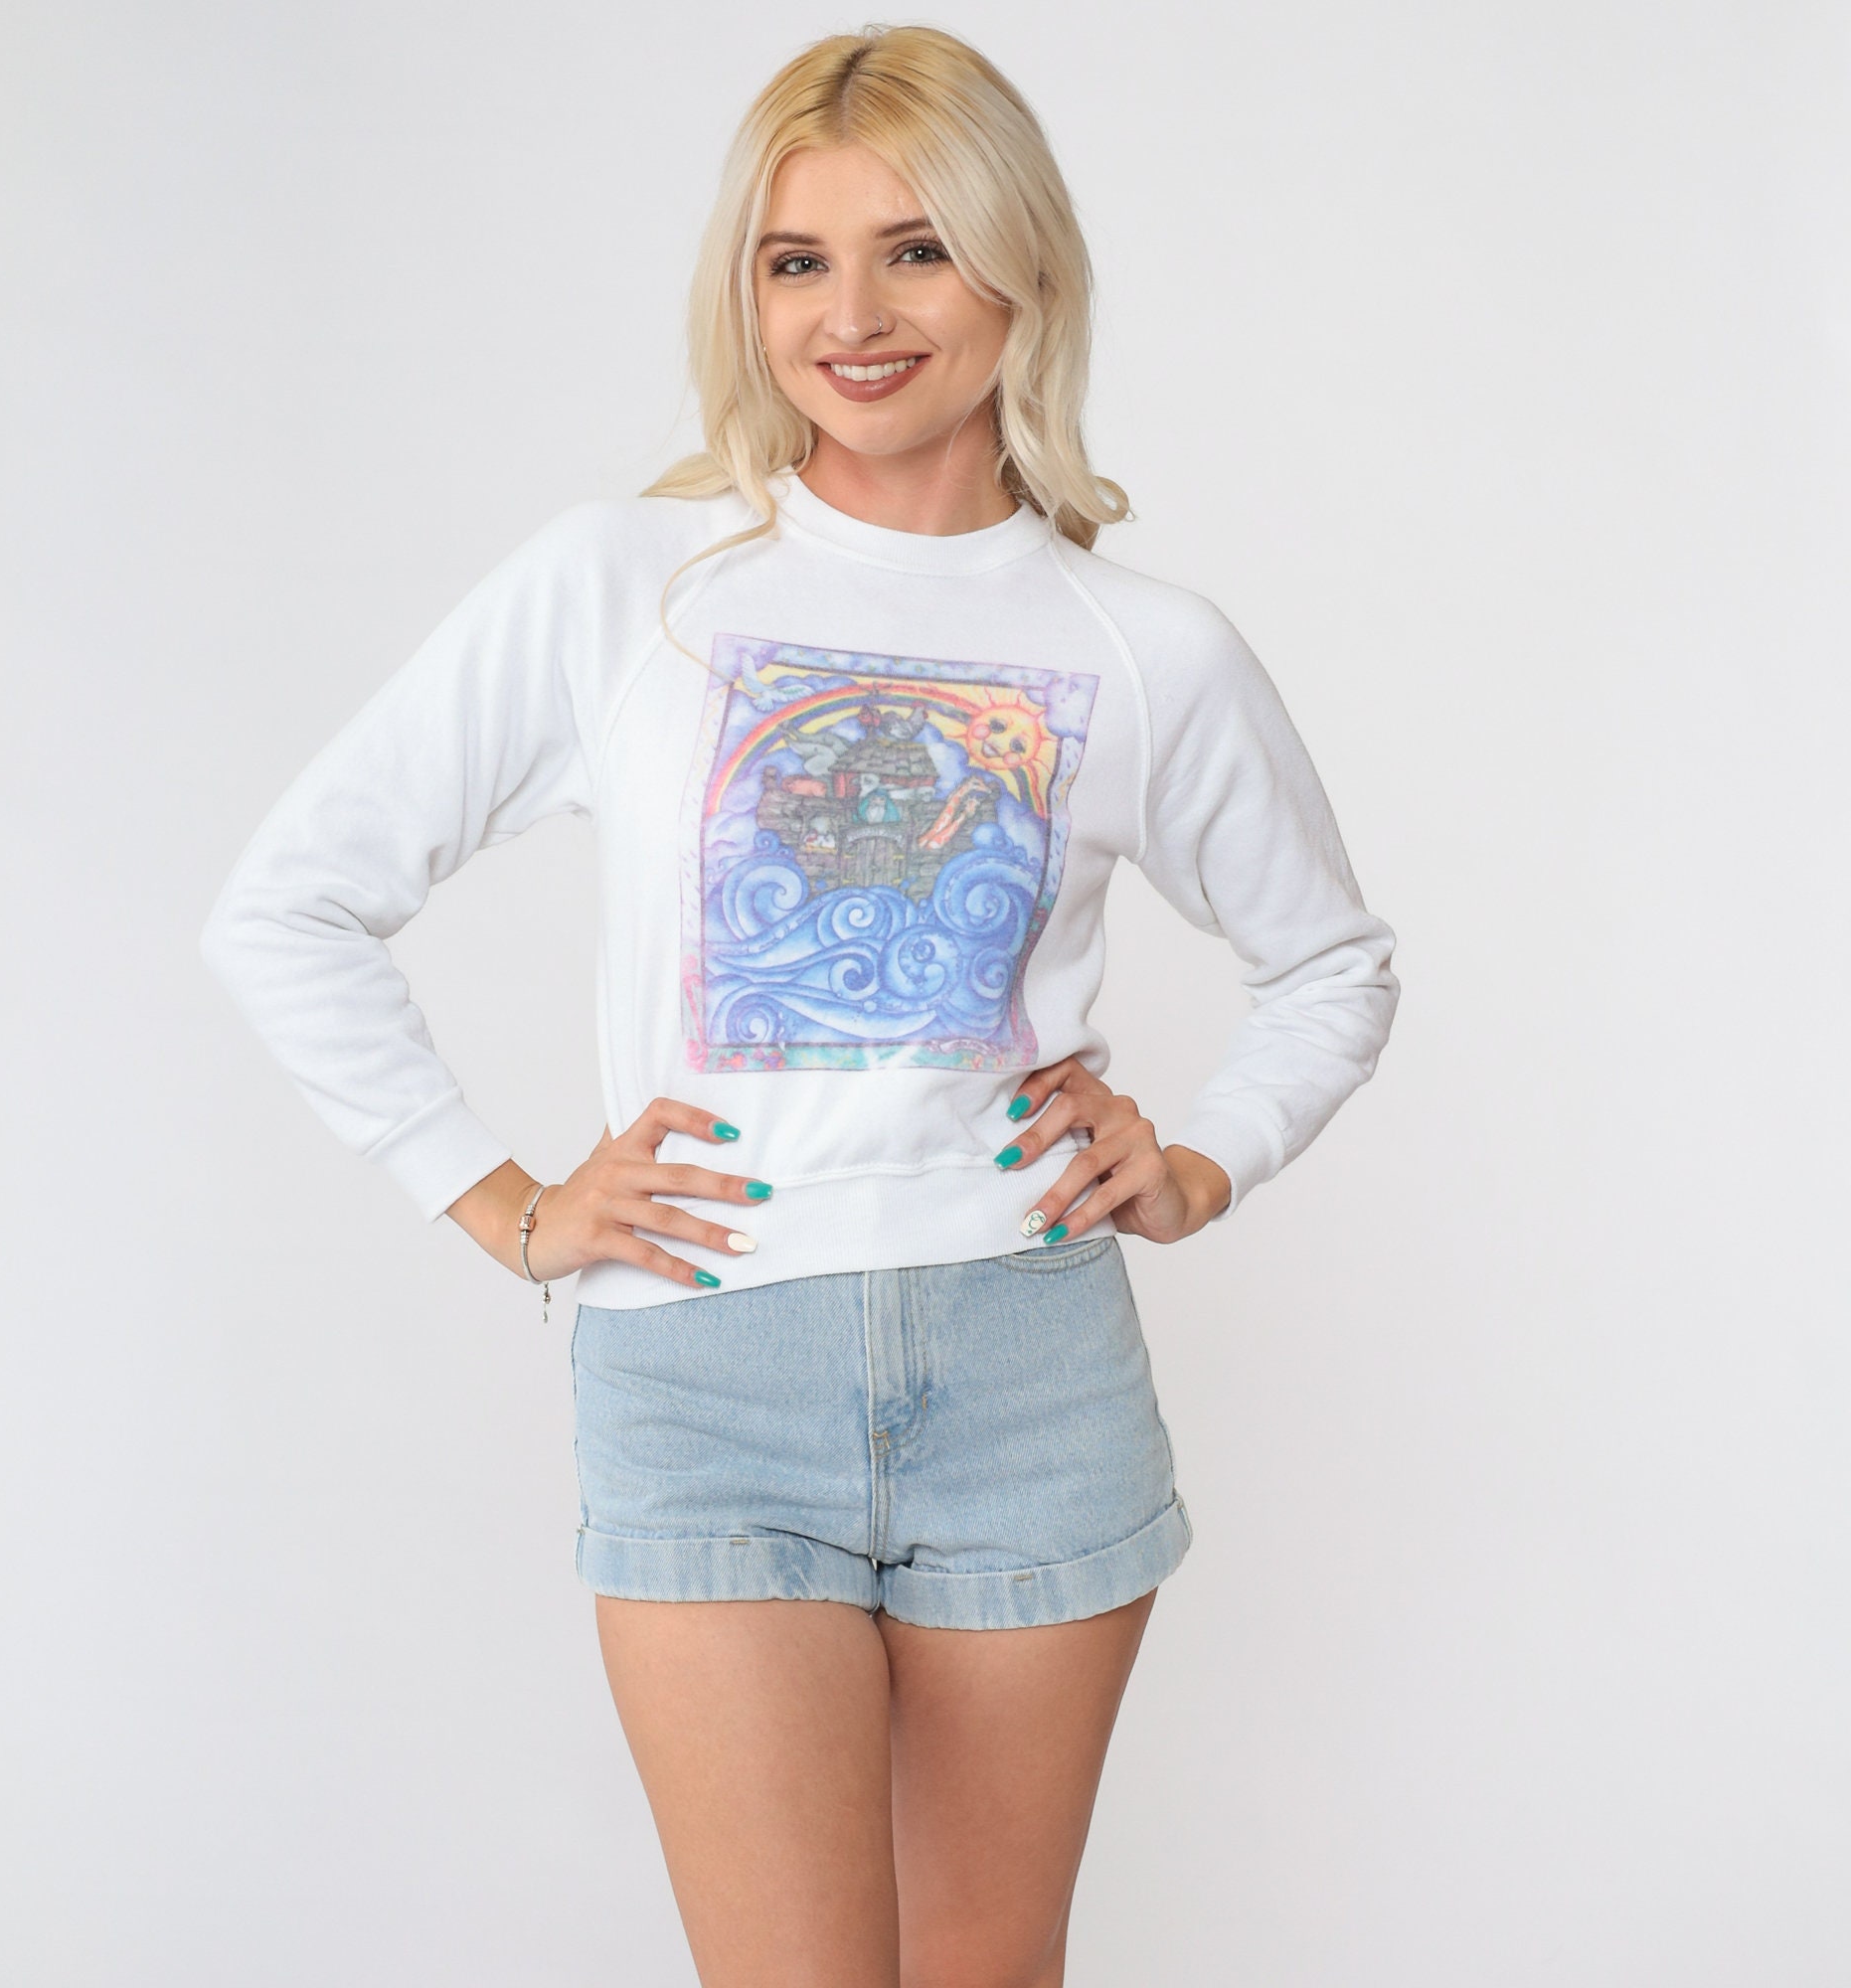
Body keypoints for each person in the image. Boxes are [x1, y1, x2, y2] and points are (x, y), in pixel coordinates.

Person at [200, 24, 1399, 1985]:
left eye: (916, 249)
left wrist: (1201, 1163)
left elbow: (1331, 963)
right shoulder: (632, 589)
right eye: (795, 261)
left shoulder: (1144, 648)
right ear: (744, 294)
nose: (852, 315)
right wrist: (506, 1205)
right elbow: (291, 901)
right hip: (706, 1374)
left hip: (1029, 1367)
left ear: (1020, 268)